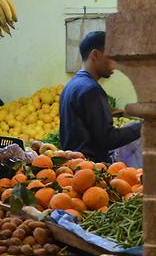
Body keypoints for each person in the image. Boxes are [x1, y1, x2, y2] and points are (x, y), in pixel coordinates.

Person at [59, 31, 141, 162]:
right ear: (95, 55)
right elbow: (108, 139)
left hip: (73, 164)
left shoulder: (71, 86)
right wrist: (143, 126)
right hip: (91, 168)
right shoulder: (91, 90)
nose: (115, 64)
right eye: (111, 57)